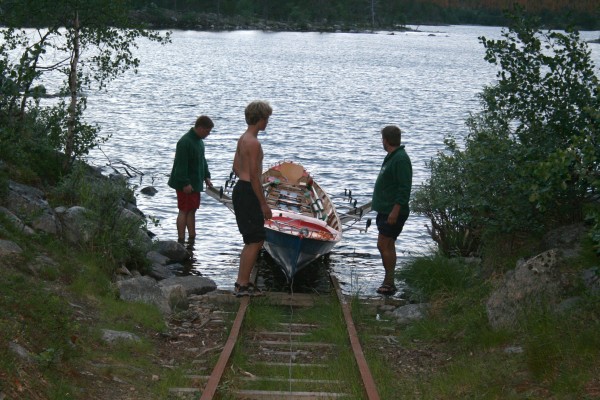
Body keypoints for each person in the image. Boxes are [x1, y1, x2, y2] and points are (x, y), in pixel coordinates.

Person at [231, 100, 273, 297]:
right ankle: (243, 283)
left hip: (241, 187)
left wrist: (245, 178)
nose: (267, 122)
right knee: (256, 239)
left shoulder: (243, 138)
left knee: (251, 239)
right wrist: (263, 203)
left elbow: (236, 167)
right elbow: (255, 176)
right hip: (248, 190)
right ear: (260, 119)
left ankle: (242, 282)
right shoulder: (254, 143)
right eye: (267, 119)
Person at [372, 125, 412, 295]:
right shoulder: (392, 156)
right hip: (385, 209)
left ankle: (389, 282)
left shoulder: (400, 159)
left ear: (386, 140)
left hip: (393, 211)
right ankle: (390, 281)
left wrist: (395, 210)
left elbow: (405, 187)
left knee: (383, 245)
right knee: (388, 245)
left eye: (382, 138)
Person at [168, 115, 214, 246]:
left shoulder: (199, 141)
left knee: (192, 209)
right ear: (199, 128)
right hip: (185, 184)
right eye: (207, 131)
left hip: (196, 182)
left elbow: (202, 161)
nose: (208, 134)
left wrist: (206, 176)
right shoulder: (185, 142)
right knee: (184, 210)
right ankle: (181, 240)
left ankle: (192, 238)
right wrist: (185, 183)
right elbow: (180, 165)